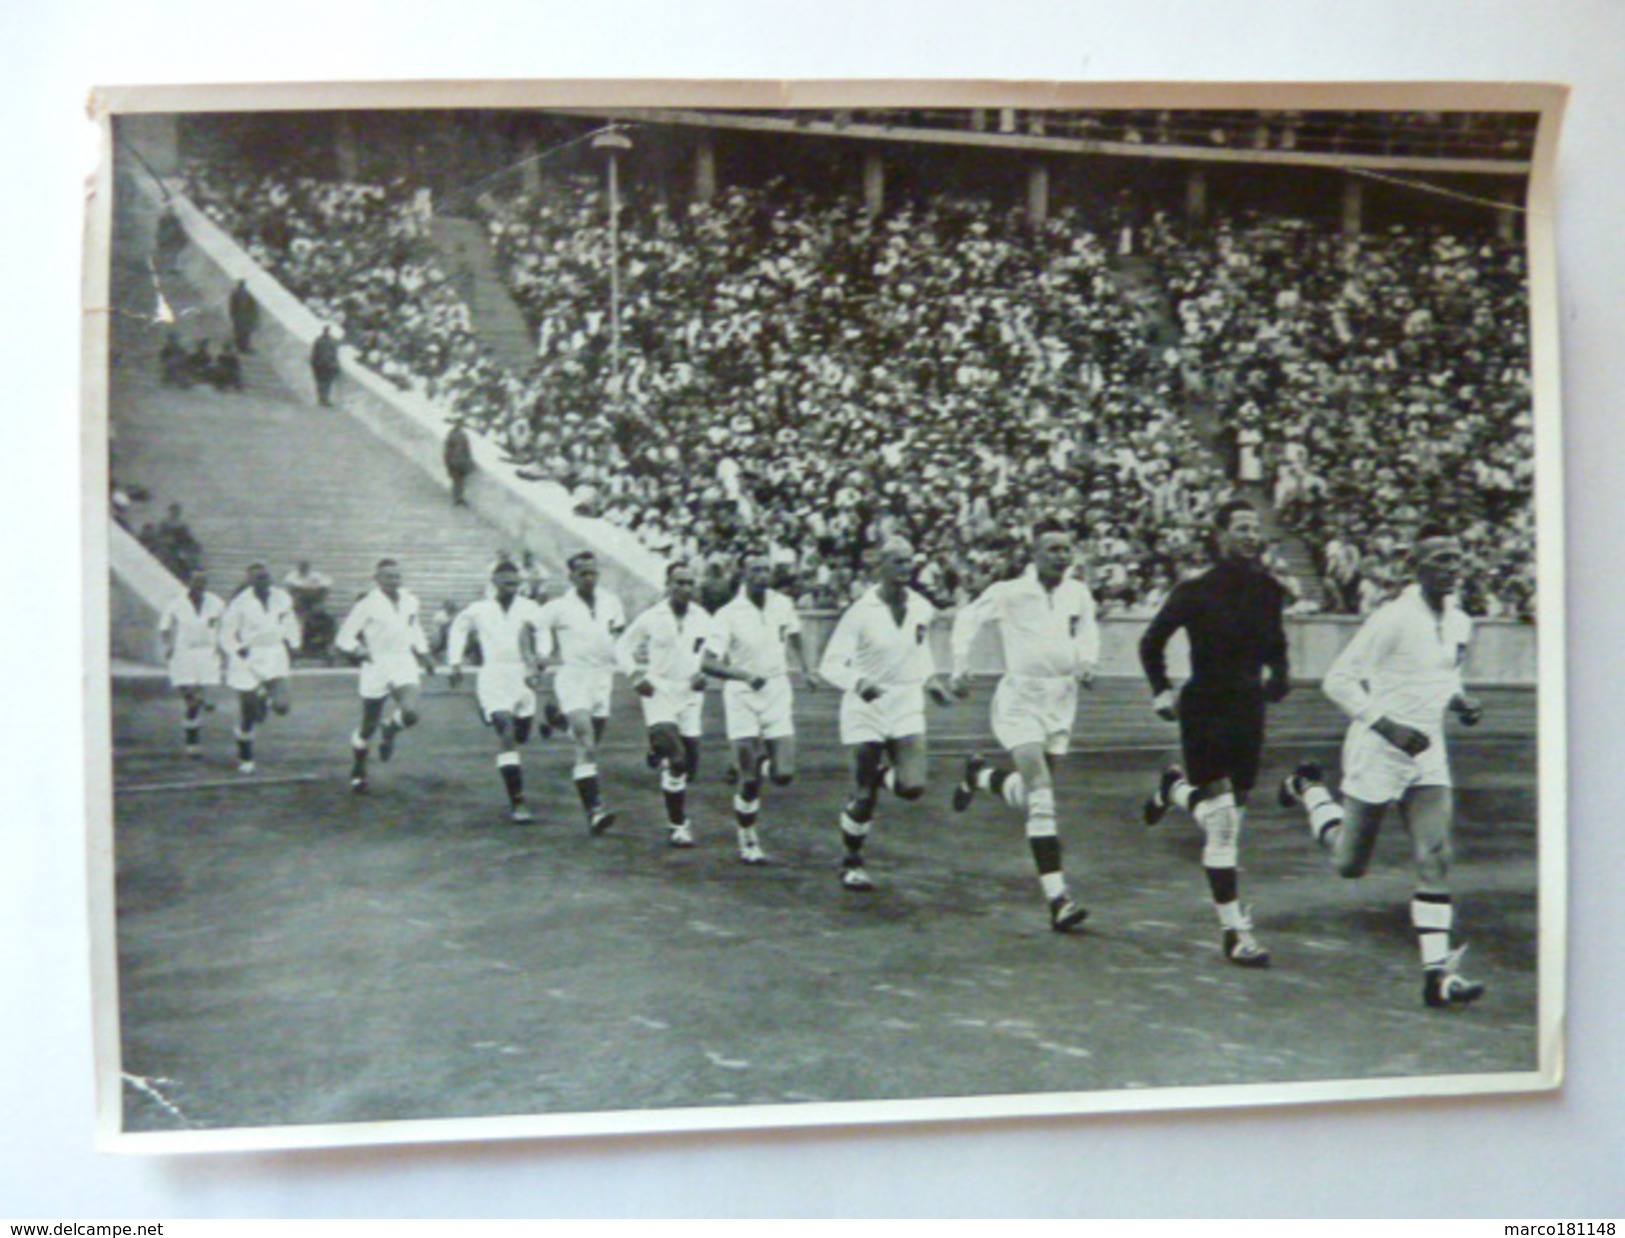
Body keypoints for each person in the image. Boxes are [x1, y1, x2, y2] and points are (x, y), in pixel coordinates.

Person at [1279, 525, 1487, 1008]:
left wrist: (1459, 702)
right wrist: (1388, 727)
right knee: (1349, 863)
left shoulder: (1460, 621)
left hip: (1427, 751)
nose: (1452, 567)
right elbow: (1338, 681)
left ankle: (1437, 974)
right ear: (1417, 567)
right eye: (1441, 559)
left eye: (1457, 558)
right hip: (1379, 748)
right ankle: (1311, 790)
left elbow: (1444, 676)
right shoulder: (1393, 617)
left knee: (1436, 855)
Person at [1139, 499, 1291, 968]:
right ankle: (1234, 932)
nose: (1251, 536)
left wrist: (1280, 676)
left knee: (1229, 818)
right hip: (1205, 706)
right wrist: (1162, 691)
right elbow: (1152, 642)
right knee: (1224, 821)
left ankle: (1176, 790)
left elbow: (1276, 643)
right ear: (1220, 536)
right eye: (1241, 528)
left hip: (1248, 709)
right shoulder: (1196, 591)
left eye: (1255, 528)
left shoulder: (1269, 590)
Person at [949, 522, 1098, 931]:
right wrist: (961, 666)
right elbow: (967, 618)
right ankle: (1058, 899)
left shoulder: (1077, 592)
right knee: (1043, 797)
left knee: (1034, 793)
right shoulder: (1011, 592)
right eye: (1052, 549)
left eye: (1067, 548)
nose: (1061, 556)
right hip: (1022, 700)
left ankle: (980, 776)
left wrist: (1087, 662)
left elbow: (1087, 631)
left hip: (1062, 699)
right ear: (1034, 555)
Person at [818, 536, 954, 893]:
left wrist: (931, 679)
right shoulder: (860, 613)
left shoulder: (922, 607)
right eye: (897, 562)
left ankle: (881, 773)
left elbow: (919, 649)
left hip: (906, 701)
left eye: (909, 562)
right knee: (863, 796)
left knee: (913, 786)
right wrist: (858, 682)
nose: (904, 570)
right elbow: (829, 665)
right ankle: (852, 860)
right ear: (879, 568)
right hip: (866, 705)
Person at [702, 551, 818, 865]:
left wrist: (807, 669)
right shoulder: (727, 614)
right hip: (742, 694)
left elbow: (794, 635)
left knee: (783, 774)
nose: (761, 576)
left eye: (765, 570)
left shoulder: (782, 604)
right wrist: (743, 675)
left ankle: (759, 760)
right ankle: (748, 840)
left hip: (777, 690)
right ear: (743, 574)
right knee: (750, 780)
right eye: (754, 570)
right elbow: (707, 662)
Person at [616, 561, 715, 848]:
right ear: (667, 585)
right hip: (658, 689)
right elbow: (623, 645)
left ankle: (658, 746)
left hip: (690, 693)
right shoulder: (652, 617)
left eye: (689, 583)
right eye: (679, 583)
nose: (685, 588)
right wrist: (635, 675)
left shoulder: (703, 617)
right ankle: (678, 825)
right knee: (678, 760)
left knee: (691, 765)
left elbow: (710, 651)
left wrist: (703, 674)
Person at [446, 561, 550, 823]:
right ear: (494, 583)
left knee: (522, 733)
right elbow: (459, 629)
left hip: (522, 675)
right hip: (493, 675)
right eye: (506, 583)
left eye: (515, 583)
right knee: (506, 732)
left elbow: (544, 632)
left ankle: (501, 717)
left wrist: (541, 657)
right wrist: (455, 661)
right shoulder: (480, 609)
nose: (511, 587)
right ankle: (518, 802)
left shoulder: (530, 608)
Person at [535, 551, 626, 835]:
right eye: (583, 573)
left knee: (588, 743)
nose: (589, 578)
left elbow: (618, 633)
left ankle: (558, 720)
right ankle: (595, 811)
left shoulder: (611, 601)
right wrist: (540, 657)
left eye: (593, 572)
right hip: (574, 676)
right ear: (571, 576)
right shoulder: (557, 607)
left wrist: (619, 657)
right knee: (586, 745)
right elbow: (532, 629)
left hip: (603, 679)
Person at [334, 559, 437, 793]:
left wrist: (424, 653)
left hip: (403, 660)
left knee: (410, 713)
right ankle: (358, 769)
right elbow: (344, 637)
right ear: (377, 579)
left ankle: (391, 727)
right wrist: (359, 650)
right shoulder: (367, 604)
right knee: (368, 727)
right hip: (376, 663)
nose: (393, 581)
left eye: (397, 576)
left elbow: (415, 629)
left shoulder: (411, 600)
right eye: (388, 577)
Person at [219, 562, 302, 774]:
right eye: (257, 578)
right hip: (247, 657)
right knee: (249, 714)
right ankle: (245, 756)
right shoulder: (239, 603)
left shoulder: (282, 598)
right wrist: (237, 649)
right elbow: (226, 634)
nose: (263, 581)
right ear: (249, 581)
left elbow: (290, 622)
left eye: (265, 577)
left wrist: (294, 644)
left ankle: (265, 697)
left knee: (283, 707)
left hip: (274, 653)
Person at [156, 568, 225, 759]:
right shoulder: (177, 603)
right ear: (189, 582)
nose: (199, 585)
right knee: (192, 699)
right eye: (196, 581)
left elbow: (226, 627)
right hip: (184, 653)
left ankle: (193, 741)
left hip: (207, 654)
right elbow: (164, 627)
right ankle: (193, 738)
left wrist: (224, 648)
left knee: (195, 704)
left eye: (203, 581)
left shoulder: (216, 603)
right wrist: (167, 646)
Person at [444, 420, 475, 507]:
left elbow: (447, 450)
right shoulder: (460, 436)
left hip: (455, 461)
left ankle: (457, 497)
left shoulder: (452, 434)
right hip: (458, 461)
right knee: (458, 480)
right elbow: (465, 450)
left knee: (457, 480)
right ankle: (458, 497)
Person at [310, 325, 341, 408]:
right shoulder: (333, 342)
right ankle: (324, 399)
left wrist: (313, 364)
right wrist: (336, 366)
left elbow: (314, 353)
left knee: (321, 382)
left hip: (319, 364)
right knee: (326, 383)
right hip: (327, 365)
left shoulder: (318, 340)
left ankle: (322, 398)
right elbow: (333, 355)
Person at [228, 278, 259, 354]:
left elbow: (232, 305)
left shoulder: (236, 293)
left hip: (239, 315)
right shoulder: (246, 294)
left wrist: (233, 314)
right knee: (243, 332)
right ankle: (243, 346)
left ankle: (240, 346)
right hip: (242, 316)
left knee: (240, 331)